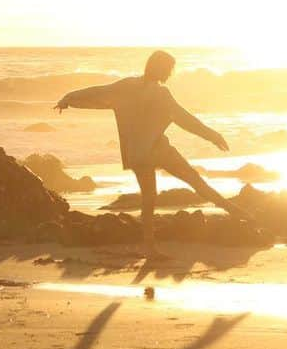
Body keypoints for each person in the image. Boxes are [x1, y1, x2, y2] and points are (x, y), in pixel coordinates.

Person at [55, 50, 253, 258]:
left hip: (138, 153)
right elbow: (185, 120)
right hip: (158, 150)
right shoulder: (161, 94)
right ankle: (237, 213)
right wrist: (212, 135)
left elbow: (98, 92)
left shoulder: (127, 86)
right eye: (168, 69)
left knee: (149, 198)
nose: (170, 73)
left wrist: (68, 98)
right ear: (160, 68)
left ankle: (149, 247)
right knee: (195, 181)